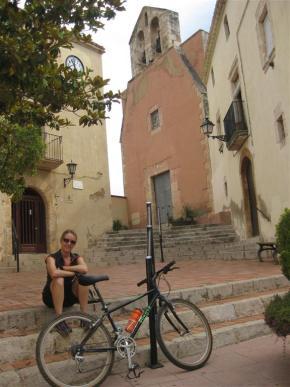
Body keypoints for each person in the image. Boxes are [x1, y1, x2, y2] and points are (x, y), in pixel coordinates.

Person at [42, 229, 89, 335]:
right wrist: (74, 272)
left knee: (84, 279)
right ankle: (59, 319)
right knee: (59, 279)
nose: (69, 243)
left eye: (72, 242)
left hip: (69, 297)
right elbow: (54, 273)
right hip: (51, 297)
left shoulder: (76, 257)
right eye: (66, 240)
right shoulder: (51, 258)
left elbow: (85, 269)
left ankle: (83, 316)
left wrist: (64, 268)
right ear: (61, 241)